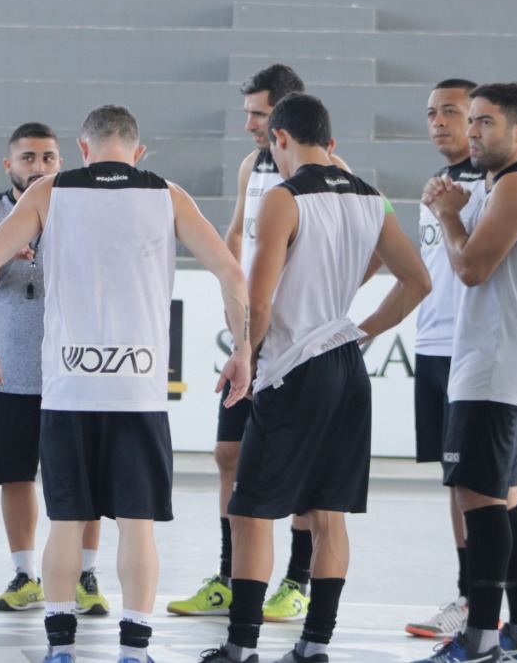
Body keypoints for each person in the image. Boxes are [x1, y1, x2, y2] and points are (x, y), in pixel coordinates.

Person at [0, 104, 252, 663]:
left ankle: (60, 648)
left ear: (83, 148)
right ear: (138, 150)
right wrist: (242, 348)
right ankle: (134, 649)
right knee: (137, 524)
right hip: (138, 387)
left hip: (69, 386)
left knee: (68, 519)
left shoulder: (50, 191)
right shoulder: (167, 194)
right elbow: (231, 272)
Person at [200, 93, 430, 663]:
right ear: (330, 141)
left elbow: (258, 297)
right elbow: (419, 281)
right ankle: (315, 645)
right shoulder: (373, 200)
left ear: (280, 139)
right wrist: (364, 330)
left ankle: (241, 646)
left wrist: (243, 357)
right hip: (346, 365)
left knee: (251, 511)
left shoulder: (284, 198)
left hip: (294, 367)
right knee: (328, 514)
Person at [173, 64, 353, 622]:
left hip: (301, 350)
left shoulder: (333, 172)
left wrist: (319, 309)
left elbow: (367, 247)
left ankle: (296, 581)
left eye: (257, 112)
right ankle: (230, 577)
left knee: (304, 477)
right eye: (248, 110)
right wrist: (237, 306)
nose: (248, 122)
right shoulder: (255, 165)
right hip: (252, 342)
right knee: (229, 454)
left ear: (283, 116)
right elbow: (233, 235)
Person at [415, 82, 517, 663]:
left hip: (495, 362)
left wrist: (449, 216)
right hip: (494, 359)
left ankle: (477, 641)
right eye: (469, 121)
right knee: (501, 499)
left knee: (480, 502)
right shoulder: (506, 184)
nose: (472, 131)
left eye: (485, 122)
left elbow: (470, 268)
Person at [0, 122, 108, 614]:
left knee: (84, 479)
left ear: (63, 161)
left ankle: (86, 576)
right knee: (15, 475)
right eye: (28, 158)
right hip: (9, 370)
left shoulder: (79, 208)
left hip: (72, 371)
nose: (39, 166)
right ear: (9, 164)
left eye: (49, 158)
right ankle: (25, 574)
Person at [405, 78, 488, 639]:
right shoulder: (434, 187)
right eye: (432, 113)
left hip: (475, 351)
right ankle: (469, 594)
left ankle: (488, 603)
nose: (438, 122)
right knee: (455, 483)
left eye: (451, 112)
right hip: (432, 347)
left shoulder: (497, 186)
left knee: (486, 484)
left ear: (478, 119)